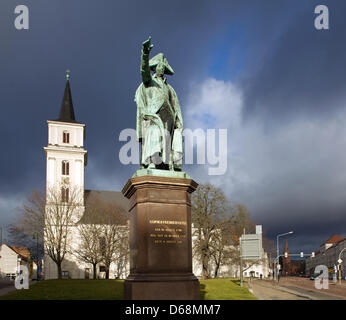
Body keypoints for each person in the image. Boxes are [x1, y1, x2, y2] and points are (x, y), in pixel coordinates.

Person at [135, 37, 183, 171]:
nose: (160, 69)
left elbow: (175, 105)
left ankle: (166, 165)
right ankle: (151, 161)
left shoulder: (169, 88)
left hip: (168, 119)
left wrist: (178, 120)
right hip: (153, 117)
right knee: (155, 134)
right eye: (158, 66)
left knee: (167, 142)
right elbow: (143, 71)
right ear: (154, 69)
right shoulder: (149, 82)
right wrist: (145, 54)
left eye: (162, 67)